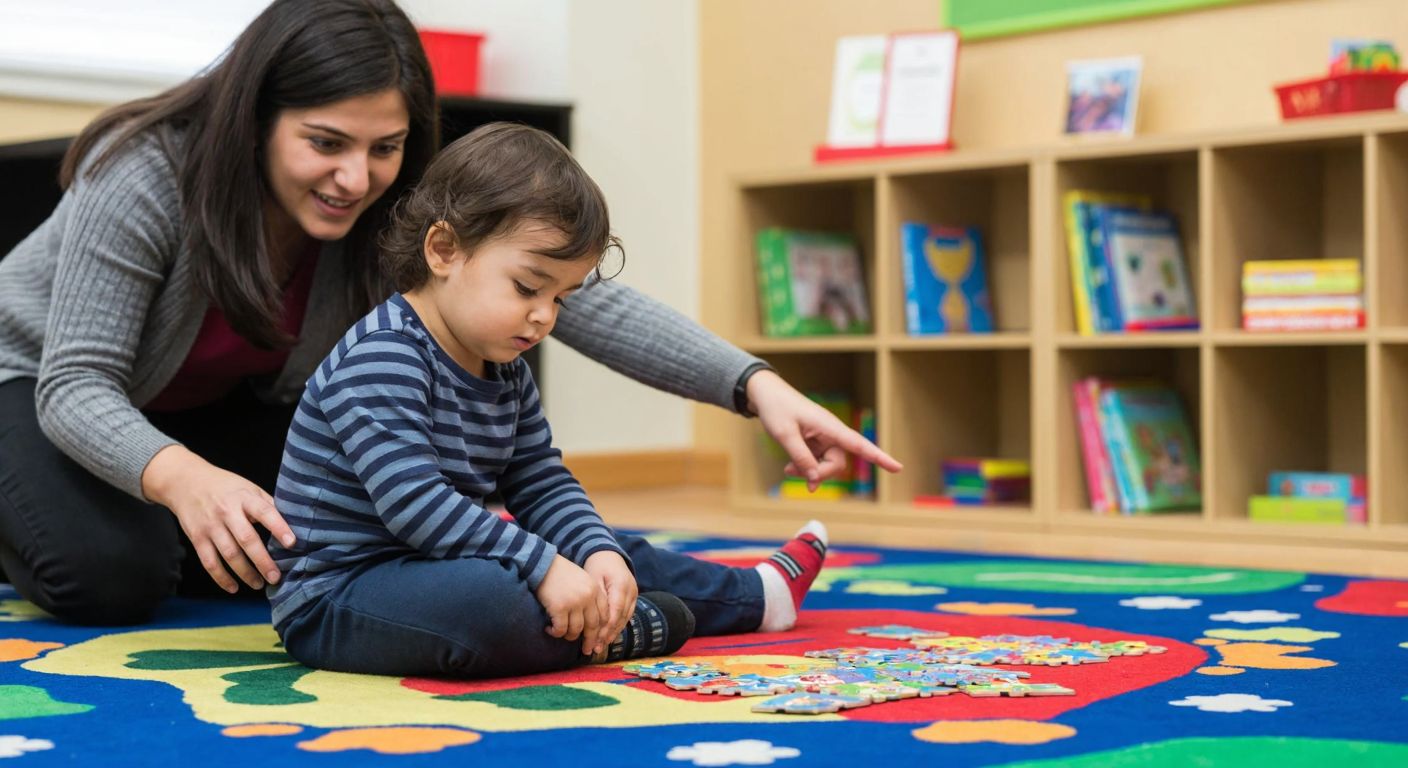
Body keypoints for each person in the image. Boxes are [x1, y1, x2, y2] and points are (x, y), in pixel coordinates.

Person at [0, 0, 898, 628]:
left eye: (383, 147)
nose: (355, 176)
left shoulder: (391, 210)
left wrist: (754, 385)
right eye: (324, 144)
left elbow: (575, 295)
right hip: (37, 389)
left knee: (355, 529)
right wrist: (182, 481)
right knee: (113, 573)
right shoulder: (147, 175)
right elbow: (79, 382)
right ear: (254, 119)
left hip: (209, 414)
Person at [270, 123, 832, 677]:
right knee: (491, 601)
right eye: (526, 287)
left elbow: (540, 480)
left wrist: (595, 554)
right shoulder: (383, 355)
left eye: (560, 298)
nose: (544, 316)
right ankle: (616, 630)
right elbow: (416, 504)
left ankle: (757, 597)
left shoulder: (504, 364)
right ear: (443, 250)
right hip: (339, 597)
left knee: (607, 551)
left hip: (434, 562)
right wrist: (543, 566)